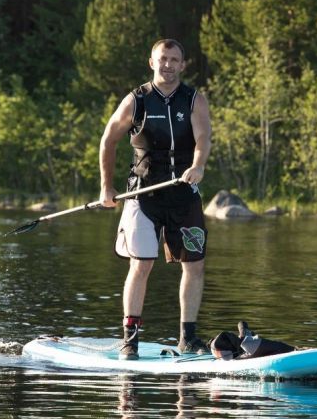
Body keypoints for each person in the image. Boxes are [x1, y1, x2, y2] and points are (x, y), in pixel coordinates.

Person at [99, 38, 212, 360]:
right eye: (163, 59)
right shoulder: (136, 100)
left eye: (174, 60)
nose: (168, 65)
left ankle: (187, 338)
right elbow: (108, 140)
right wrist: (106, 188)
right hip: (142, 195)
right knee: (142, 263)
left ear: (182, 64)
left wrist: (198, 166)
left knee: (195, 265)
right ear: (152, 62)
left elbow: (203, 137)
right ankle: (130, 340)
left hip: (183, 194)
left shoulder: (194, 100)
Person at [208, 321, 295, 360]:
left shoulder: (216, 353)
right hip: (248, 347)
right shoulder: (215, 343)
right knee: (282, 347)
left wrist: (239, 351)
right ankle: (297, 350)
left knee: (276, 350)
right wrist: (240, 349)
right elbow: (228, 335)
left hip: (245, 356)